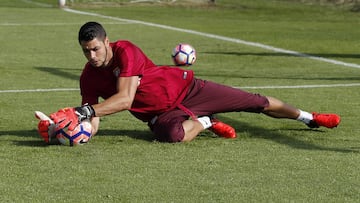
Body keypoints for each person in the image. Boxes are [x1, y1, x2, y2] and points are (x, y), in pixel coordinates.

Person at [37, 21, 341, 143]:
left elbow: (125, 100)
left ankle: (310, 118)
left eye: (95, 48)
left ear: (107, 41)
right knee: (171, 137)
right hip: (161, 114)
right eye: (85, 51)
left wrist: (83, 113)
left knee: (256, 102)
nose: (91, 56)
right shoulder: (89, 76)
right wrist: (64, 130)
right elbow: (96, 118)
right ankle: (207, 122)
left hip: (189, 89)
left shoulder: (125, 50)